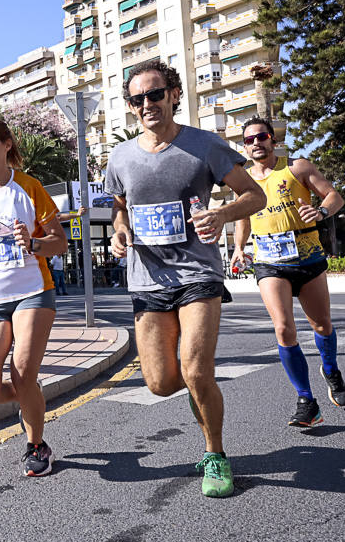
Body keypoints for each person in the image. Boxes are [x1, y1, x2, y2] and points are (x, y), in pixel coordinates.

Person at [104, 61, 264, 497]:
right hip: (147, 279)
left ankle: (215, 453)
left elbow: (255, 194)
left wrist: (222, 214)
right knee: (160, 383)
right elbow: (121, 207)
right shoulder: (120, 157)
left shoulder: (205, 146)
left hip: (197, 273)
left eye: (155, 94)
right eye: (137, 99)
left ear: (174, 93)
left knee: (195, 369)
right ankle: (201, 390)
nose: (147, 105)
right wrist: (120, 232)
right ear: (130, 106)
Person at [0, 117, 68, 477]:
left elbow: (61, 243)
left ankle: (36, 444)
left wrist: (34, 243)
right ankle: (30, 395)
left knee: (22, 373)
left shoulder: (29, 187)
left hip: (33, 291)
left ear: (7, 145)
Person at [231, 117, 345, 430]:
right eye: (249, 140)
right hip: (269, 263)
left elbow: (334, 196)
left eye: (262, 137)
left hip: (308, 258)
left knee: (322, 325)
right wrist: (238, 247)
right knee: (284, 329)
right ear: (244, 146)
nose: (256, 143)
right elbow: (242, 218)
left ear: (273, 139)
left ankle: (330, 368)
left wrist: (321, 211)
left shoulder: (297, 168)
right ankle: (306, 401)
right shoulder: (243, 180)